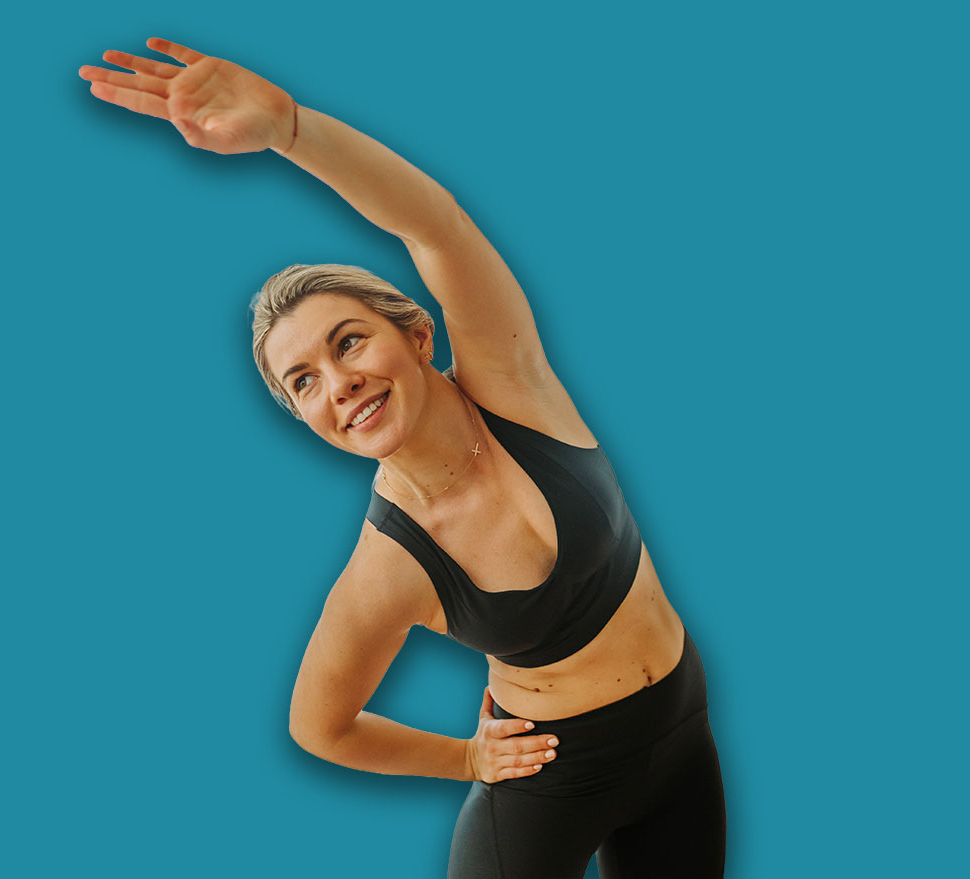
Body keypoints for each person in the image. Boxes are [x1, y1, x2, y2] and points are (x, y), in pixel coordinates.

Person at [80, 37, 726, 879]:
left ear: (418, 335)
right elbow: (319, 726)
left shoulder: (513, 385)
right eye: (304, 382)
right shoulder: (388, 566)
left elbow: (434, 224)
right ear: (306, 417)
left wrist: (290, 129)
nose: (339, 383)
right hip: (550, 786)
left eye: (349, 341)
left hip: (683, 729)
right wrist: (467, 758)